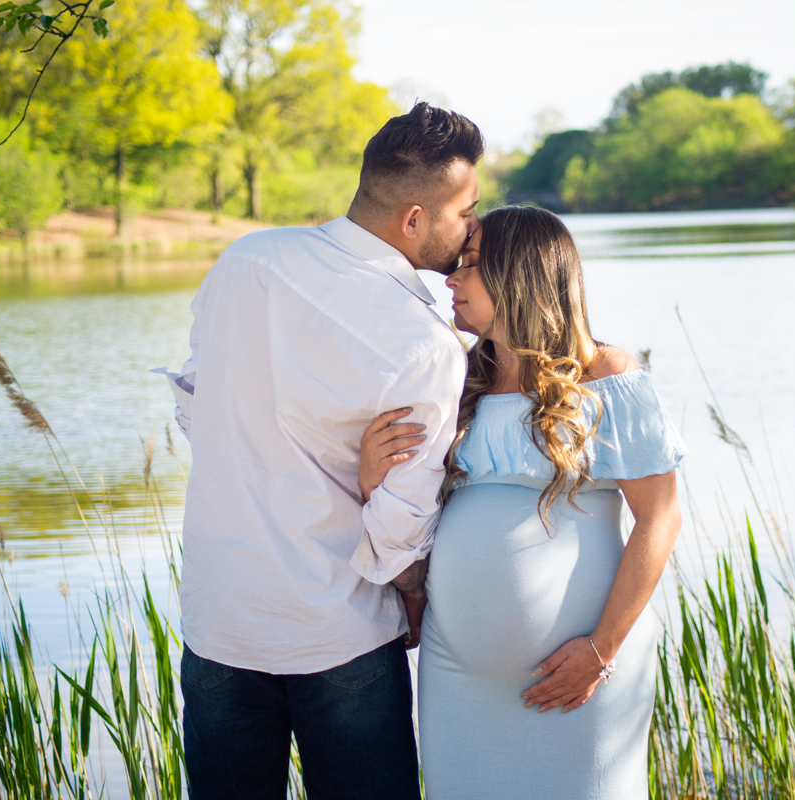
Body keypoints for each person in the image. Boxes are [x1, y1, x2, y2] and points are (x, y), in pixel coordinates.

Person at [160, 103, 482, 800]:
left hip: (221, 620)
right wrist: (417, 596)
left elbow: (196, 406)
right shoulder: (423, 342)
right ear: (414, 220)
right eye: (467, 211)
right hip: (340, 634)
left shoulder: (246, 260)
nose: (474, 229)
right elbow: (400, 531)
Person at [360, 205, 686, 799]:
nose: (451, 279)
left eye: (472, 265)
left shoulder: (607, 376)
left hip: (585, 670)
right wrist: (371, 476)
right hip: (457, 672)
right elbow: (413, 508)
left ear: (524, 273)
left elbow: (660, 519)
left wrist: (601, 647)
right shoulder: (456, 377)